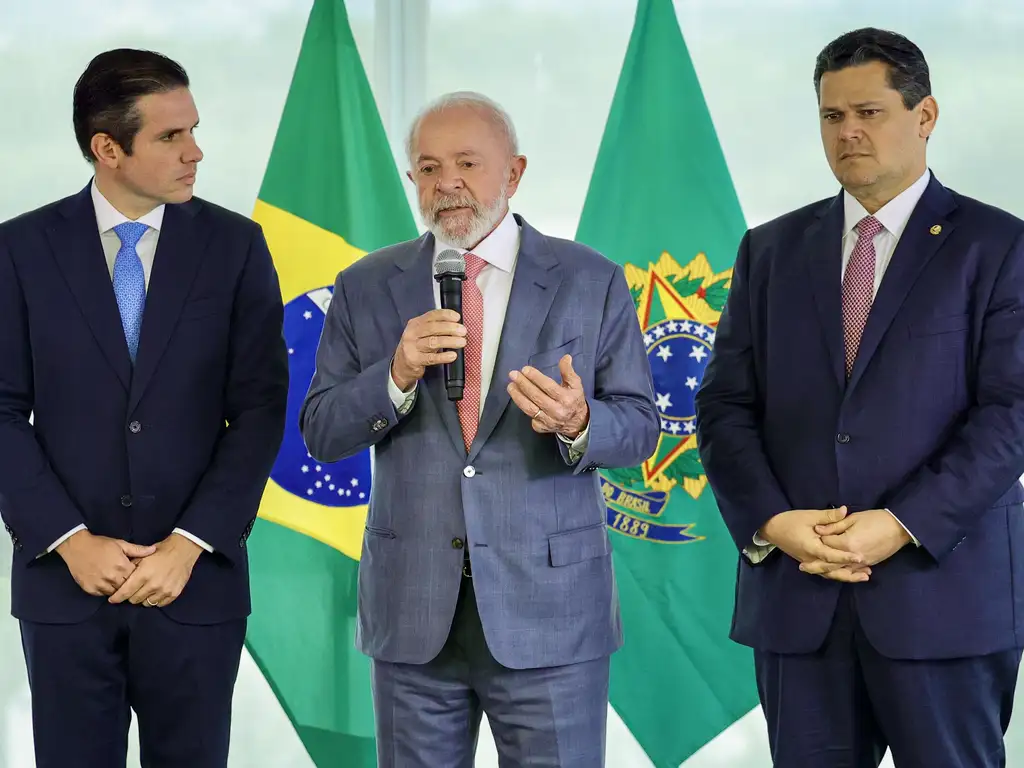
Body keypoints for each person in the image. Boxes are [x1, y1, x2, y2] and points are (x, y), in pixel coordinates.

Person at [695, 27, 1024, 768]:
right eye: (832, 116)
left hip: (943, 599)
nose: (848, 132)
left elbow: (1012, 415)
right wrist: (773, 522)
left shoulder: (999, 246)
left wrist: (902, 524)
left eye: (868, 113)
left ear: (924, 115)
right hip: (799, 598)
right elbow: (723, 408)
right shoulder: (769, 251)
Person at [300, 91, 659, 767]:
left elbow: (640, 426)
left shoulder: (590, 278)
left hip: (551, 616)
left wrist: (579, 421)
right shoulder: (366, 285)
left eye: (467, 163)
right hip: (412, 615)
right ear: (412, 179)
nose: (448, 183)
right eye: (429, 168)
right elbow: (321, 430)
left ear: (514, 173)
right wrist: (396, 374)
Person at [0, 49, 289, 767]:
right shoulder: (19, 249)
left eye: (194, 130)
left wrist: (189, 544)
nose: (196, 152)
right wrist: (70, 540)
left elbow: (259, 409)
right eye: (170, 136)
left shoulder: (236, 246)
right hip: (65, 588)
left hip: (196, 586)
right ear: (108, 149)